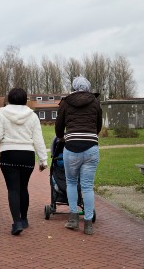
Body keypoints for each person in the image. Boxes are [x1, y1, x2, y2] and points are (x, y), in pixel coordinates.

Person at [0, 88, 48, 235]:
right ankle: (24, 219)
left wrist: (6, 139)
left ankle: (16, 223)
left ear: (9, 99)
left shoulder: (2, 114)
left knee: (13, 189)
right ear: (25, 99)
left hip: (8, 155)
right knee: (23, 187)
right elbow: (38, 140)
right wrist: (43, 160)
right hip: (27, 156)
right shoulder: (32, 116)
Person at [55, 75, 102, 235]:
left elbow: (59, 127)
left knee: (72, 183)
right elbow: (98, 125)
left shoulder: (66, 102)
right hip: (91, 147)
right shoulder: (95, 102)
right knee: (87, 186)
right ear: (88, 88)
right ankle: (88, 224)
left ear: (74, 88)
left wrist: (62, 137)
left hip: (72, 147)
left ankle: (73, 219)